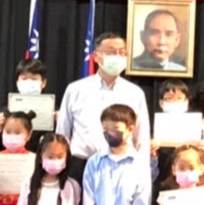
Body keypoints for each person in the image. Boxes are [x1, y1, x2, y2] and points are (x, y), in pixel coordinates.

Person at [55, 32, 150, 160]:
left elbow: (141, 138)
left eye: (122, 53)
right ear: (96, 56)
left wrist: (142, 167)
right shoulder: (76, 89)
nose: (117, 57)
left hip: (122, 163)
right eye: (111, 52)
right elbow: (62, 132)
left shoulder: (135, 93)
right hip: (81, 162)